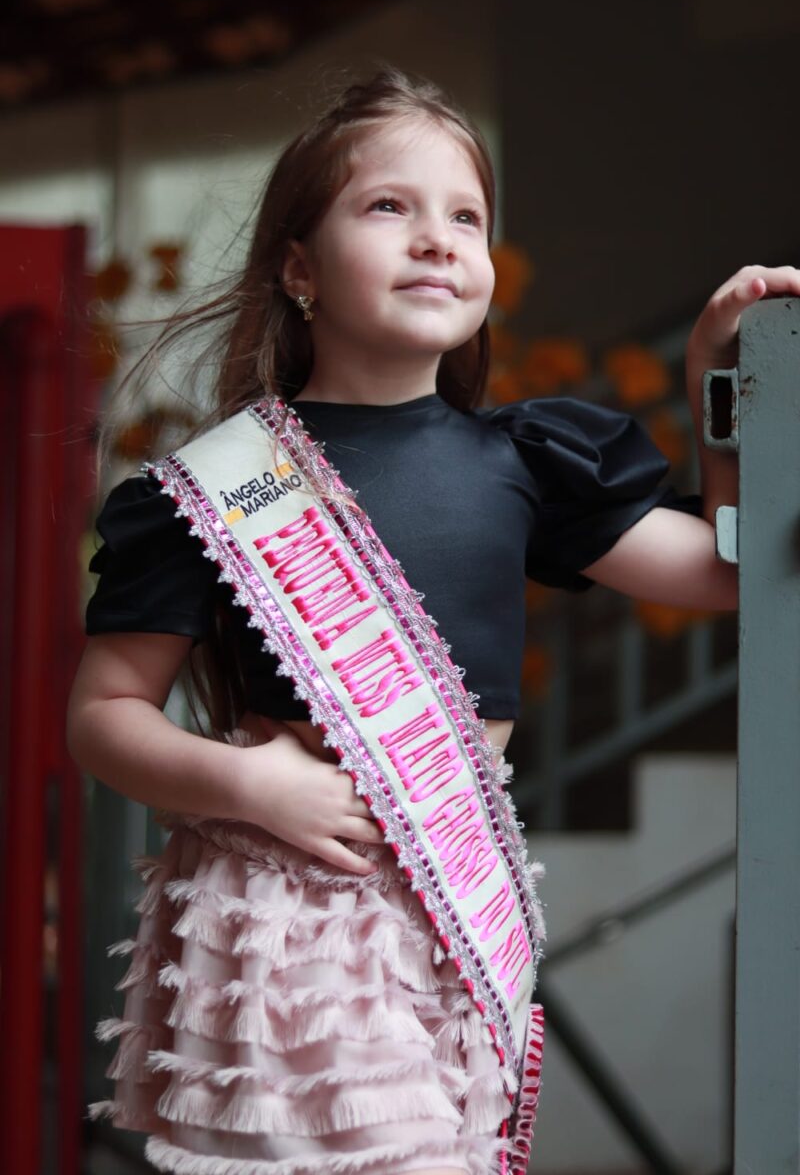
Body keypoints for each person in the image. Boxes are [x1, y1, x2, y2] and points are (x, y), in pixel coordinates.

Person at [66, 63, 799, 1175]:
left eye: (465, 216)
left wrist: (714, 383)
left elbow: (720, 569)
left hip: (452, 906)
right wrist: (246, 783)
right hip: (282, 908)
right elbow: (103, 714)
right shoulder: (211, 492)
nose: (435, 238)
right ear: (300, 268)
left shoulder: (527, 460)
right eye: (387, 207)